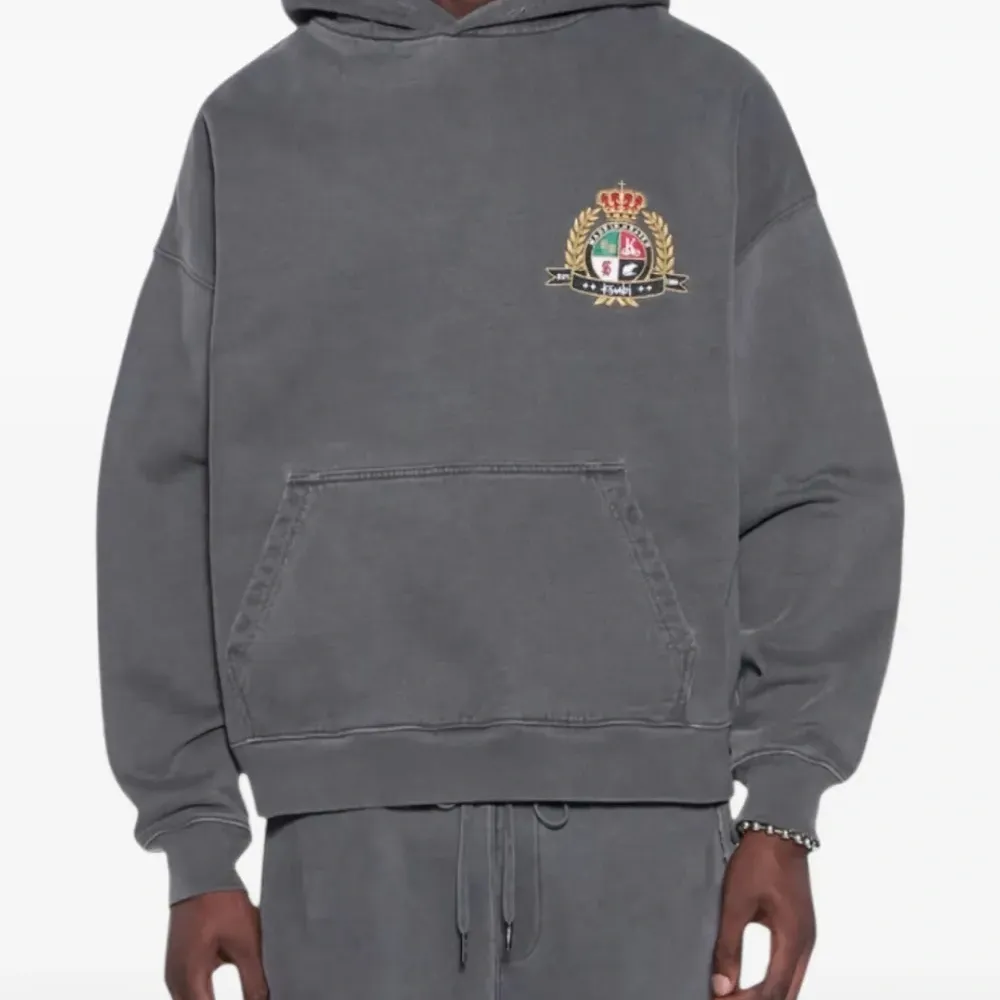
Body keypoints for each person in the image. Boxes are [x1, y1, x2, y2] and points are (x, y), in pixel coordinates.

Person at [97, 1, 903, 998]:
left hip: (647, 845)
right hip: (342, 843)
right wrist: (196, 842)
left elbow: (819, 466)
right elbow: (159, 495)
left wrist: (783, 802)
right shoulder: (252, 122)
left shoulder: (706, 102)